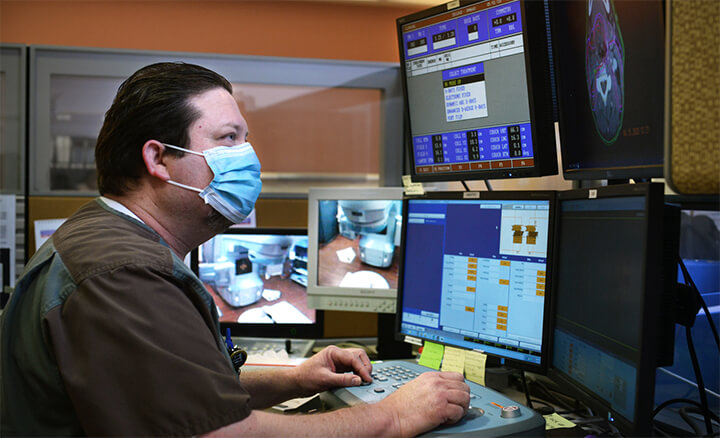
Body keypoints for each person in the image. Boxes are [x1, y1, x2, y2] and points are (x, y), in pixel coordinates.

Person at [0, 62, 470, 436]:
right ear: (159, 158)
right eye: (229, 139)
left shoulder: (103, 237)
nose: (249, 157)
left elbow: (175, 386)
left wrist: (296, 377)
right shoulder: (121, 273)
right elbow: (218, 432)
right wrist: (394, 417)